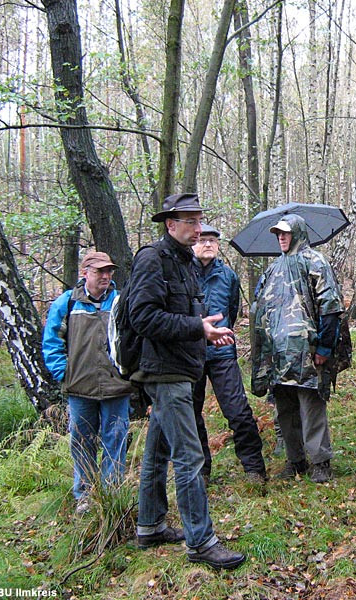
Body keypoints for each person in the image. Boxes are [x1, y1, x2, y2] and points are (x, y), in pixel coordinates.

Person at [129, 192, 244, 570]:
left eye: (199, 221)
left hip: (181, 369)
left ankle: (150, 525)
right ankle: (201, 542)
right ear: (170, 224)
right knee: (190, 457)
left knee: (157, 454)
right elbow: (143, 317)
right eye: (190, 222)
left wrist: (206, 331)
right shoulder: (152, 259)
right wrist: (197, 327)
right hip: (165, 373)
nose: (197, 229)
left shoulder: (186, 263)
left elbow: (185, 317)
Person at [251, 214, 345, 484]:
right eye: (278, 234)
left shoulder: (315, 261)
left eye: (286, 233)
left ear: (298, 233)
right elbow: (261, 307)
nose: (281, 237)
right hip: (277, 353)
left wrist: (325, 347)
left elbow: (330, 307)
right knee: (284, 408)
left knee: (311, 406)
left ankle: (320, 461)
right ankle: (295, 460)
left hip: (307, 350)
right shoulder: (273, 269)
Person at [42, 251, 134, 515]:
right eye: (99, 271)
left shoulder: (119, 302)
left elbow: (133, 340)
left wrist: (128, 373)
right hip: (80, 388)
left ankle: (112, 493)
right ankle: (84, 494)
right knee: (82, 441)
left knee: (115, 438)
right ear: (85, 273)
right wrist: (64, 374)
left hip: (117, 386)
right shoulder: (67, 303)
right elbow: (52, 342)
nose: (105, 276)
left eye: (109, 271)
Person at [191, 224, 267, 485]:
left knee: (238, 411)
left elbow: (232, 310)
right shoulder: (183, 273)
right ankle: (200, 470)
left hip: (222, 352)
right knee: (192, 413)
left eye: (213, 240)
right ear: (193, 243)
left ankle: (254, 468)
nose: (208, 244)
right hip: (190, 353)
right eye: (203, 240)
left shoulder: (228, 276)